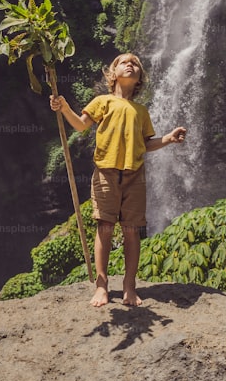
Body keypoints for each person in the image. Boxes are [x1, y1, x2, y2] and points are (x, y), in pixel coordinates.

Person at [49, 53, 186, 307]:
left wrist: (167, 139)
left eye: (135, 63)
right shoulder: (103, 101)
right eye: (124, 61)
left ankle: (129, 286)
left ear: (139, 79)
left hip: (135, 176)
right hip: (106, 173)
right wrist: (64, 107)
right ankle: (102, 286)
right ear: (113, 74)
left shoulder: (141, 111)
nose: (130, 64)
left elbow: (145, 144)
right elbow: (80, 126)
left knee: (132, 231)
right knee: (105, 228)